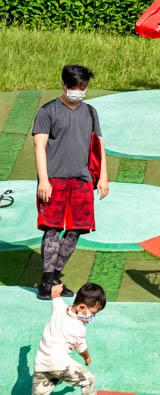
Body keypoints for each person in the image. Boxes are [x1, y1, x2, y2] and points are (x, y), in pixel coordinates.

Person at [33, 65, 108, 301]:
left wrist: (103, 176)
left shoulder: (90, 112)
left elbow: (98, 145)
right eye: (75, 87)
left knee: (76, 230)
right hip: (54, 179)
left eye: (83, 87)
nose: (79, 91)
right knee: (52, 229)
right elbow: (39, 146)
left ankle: (55, 277)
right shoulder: (47, 111)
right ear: (64, 85)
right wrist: (43, 180)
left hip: (83, 180)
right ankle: (46, 282)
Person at [32, 282, 106, 395]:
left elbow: (55, 295)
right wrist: (87, 358)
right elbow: (81, 348)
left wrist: (56, 289)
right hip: (59, 364)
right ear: (81, 308)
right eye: (93, 313)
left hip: (41, 364)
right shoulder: (79, 327)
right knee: (89, 381)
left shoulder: (59, 307)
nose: (92, 317)